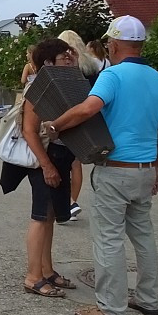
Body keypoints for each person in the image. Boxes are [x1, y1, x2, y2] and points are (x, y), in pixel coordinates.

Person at [45, 16, 158, 315]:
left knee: (108, 239)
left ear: (113, 44)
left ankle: (111, 307)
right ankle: (148, 299)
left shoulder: (113, 76)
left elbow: (89, 108)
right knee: (143, 236)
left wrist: (57, 124)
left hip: (115, 169)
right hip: (144, 170)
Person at [7, 38, 80, 299]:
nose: (70, 58)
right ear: (48, 63)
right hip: (43, 159)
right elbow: (29, 131)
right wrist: (47, 165)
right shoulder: (38, 88)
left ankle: (47, 271)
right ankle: (33, 277)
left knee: (48, 216)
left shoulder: (58, 84)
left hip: (55, 156)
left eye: (71, 54)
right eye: (64, 56)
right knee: (40, 216)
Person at [57, 30, 102, 223]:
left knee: (59, 161)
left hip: (66, 116)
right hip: (86, 118)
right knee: (76, 163)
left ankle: (66, 201)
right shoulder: (92, 68)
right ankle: (72, 201)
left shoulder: (63, 68)